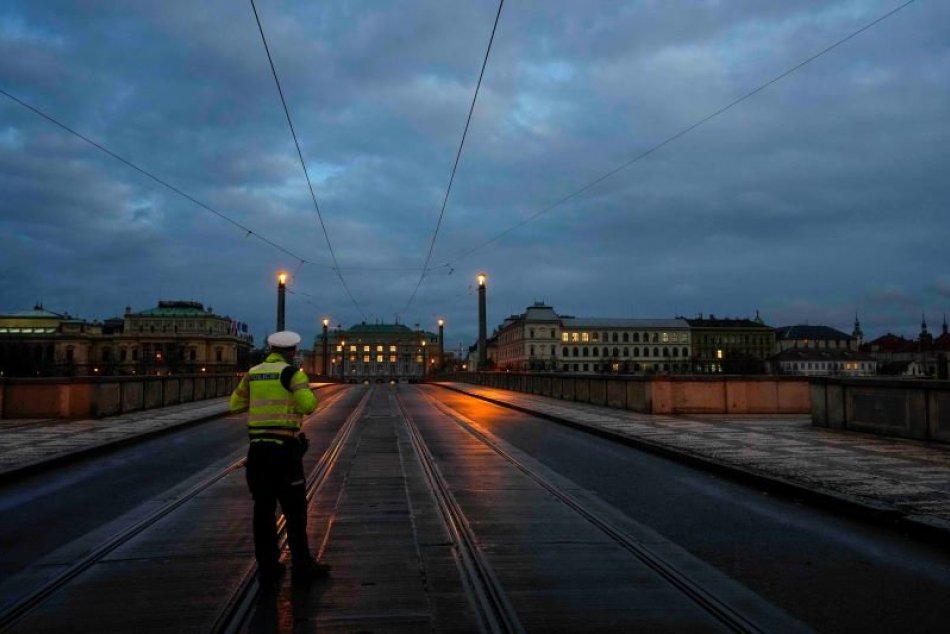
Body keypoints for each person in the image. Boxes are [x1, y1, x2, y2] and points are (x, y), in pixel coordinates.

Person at [229, 330, 331, 582]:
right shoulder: (292, 374)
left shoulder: (252, 374)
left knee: (262, 510)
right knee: (295, 511)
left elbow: (235, 405)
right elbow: (309, 406)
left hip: (257, 451)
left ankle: (268, 566)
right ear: (293, 352)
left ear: (270, 348)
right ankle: (301, 565)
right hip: (284, 450)